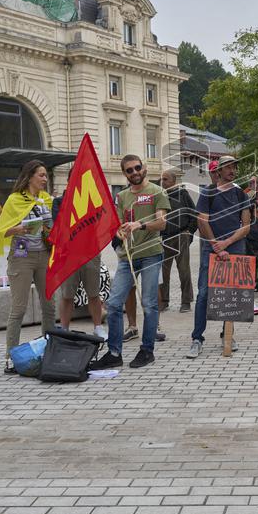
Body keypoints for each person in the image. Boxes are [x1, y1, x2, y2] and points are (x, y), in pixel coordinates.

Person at [92, 155, 169, 370]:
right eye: (129, 170)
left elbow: (162, 223)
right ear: (124, 173)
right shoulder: (122, 196)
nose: (134, 172)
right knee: (114, 304)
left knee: (149, 304)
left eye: (137, 168)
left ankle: (147, 350)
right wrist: (120, 232)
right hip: (127, 257)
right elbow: (116, 224)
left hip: (151, 253)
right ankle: (114, 353)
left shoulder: (157, 191)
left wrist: (139, 225)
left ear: (143, 168)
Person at [0, 160, 55, 373]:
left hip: (44, 256)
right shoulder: (15, 200)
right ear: (29, 177)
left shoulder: (47, 200)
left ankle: (50, 350)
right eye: (42, 175)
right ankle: (11, 356)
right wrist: (16, 229)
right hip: (21, 257)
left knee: (49, 306)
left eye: (46, 176)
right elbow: (1, 231)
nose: (45, 179)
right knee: (19, 308)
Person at [189, 155, 253, 358]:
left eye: (234, 167)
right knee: (204, 294)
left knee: (231, 295)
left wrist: (226, 243)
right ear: (218, 171)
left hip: (234, 248)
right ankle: (197, 338)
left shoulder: (241, 195)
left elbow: (247, 226)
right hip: (212, 249)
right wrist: (217, 246)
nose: (232, 170)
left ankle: (227, 335)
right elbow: (202, 221)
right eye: (228, 167)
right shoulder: (208, 192)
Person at [50, 190, 106, 340]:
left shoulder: (92, 199)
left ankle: (98, 327)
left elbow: (100, 220)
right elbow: (59, 224)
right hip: (68, 255)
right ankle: (65, 328)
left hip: (90, 252)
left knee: (93, 293)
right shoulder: (59, 201)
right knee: (67, 294)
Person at [159, 169, 196, 312]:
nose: (163, 182)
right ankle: (164, 301)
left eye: (166, 179)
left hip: (181, 236)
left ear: (174, 181)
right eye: (162, 179)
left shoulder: (183, 194)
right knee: (164, 272)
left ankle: (186, 302)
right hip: (165, 238)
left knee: (184, 270)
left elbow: (194, 213)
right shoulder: (159, 195)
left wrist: (189, 231)